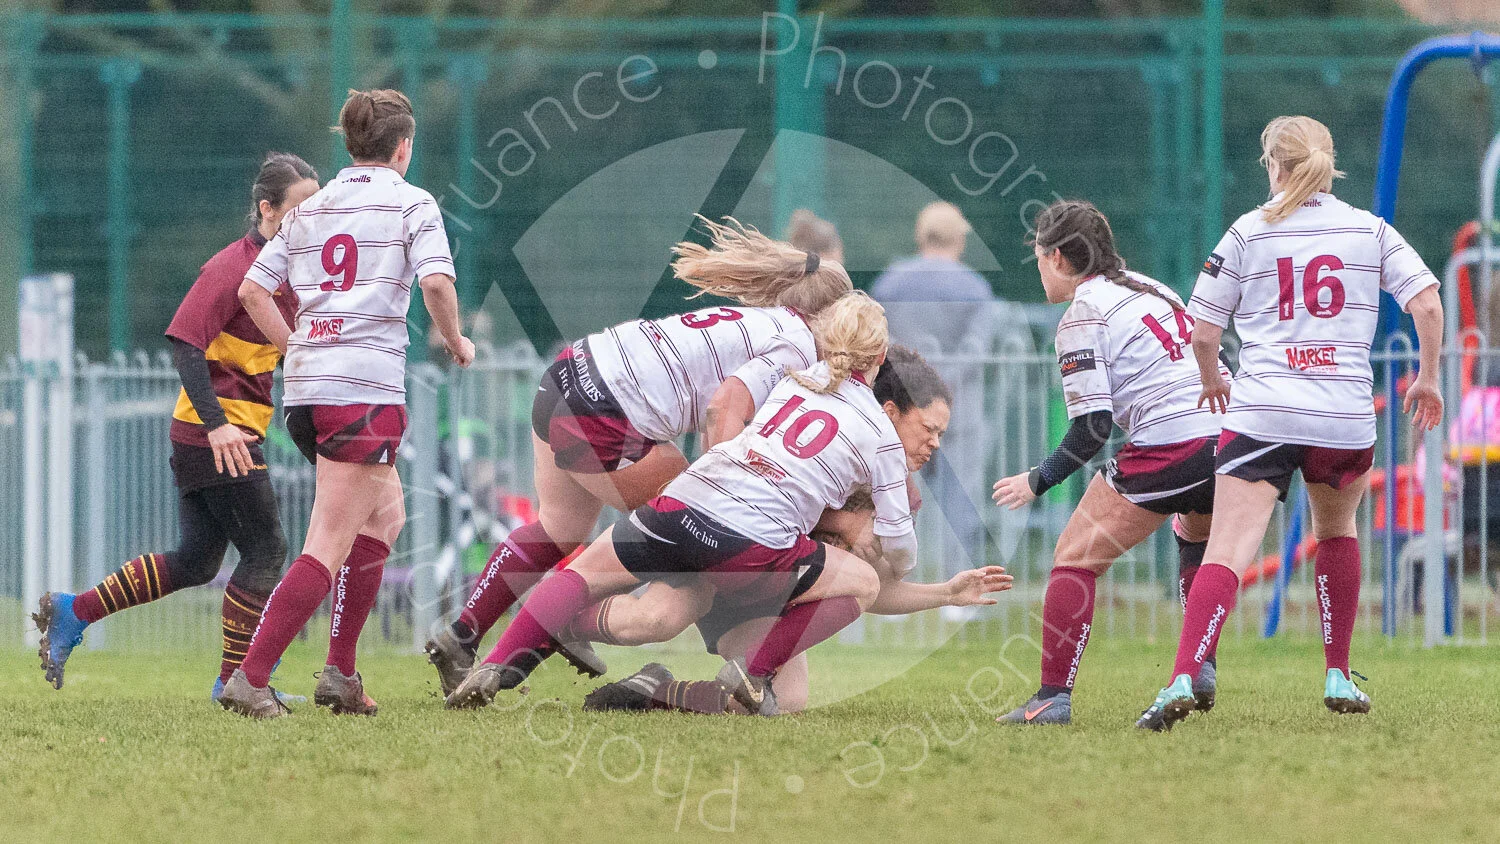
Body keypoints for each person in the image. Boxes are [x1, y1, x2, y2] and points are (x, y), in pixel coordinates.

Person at [422, 216, 853, 694]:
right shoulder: (796, 345)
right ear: (826, 317)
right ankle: (568, 624)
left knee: (558, 529)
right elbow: (722, 406)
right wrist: (723, 478)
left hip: (566, 374)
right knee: (686, 534)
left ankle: (462, 634)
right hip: (604, 409)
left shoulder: (764, 321)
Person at [445, 292, 910, 716]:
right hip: (744, 534)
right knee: (861, 584)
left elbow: (733, 408)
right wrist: (895, 559)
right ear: (881, 356)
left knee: (583, 572)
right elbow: (898, 541)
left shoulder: (790, 380)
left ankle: (501, 661)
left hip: (671, 481)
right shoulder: (867, 420)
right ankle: (755, 676)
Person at [1136, 115, 1444, 731]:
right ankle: (1336, 670)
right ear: (1329, 163)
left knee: (1226, 546)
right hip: (1342, 416)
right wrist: (1428, 377)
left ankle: (1180, 677)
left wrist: (1210, 381)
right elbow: (1428, 302)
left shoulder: (1249, 232)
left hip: (1264, 410)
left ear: (1273, 165)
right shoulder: (1370, 230)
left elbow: (1203, 331)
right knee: (1339, 530)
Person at [218, 88, 475, 718]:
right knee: (327, 542)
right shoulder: (413, 204)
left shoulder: (310, 210)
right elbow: (437, 281)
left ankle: (340, 673)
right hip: (361, 393)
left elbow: (254, 291)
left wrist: (302, 347)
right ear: (403, 146)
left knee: (384, 517)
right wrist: (454, 338)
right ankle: (250, 679)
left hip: (309, 396)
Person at [579, 345, 1011, 716]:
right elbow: (753, 496)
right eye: (929, 429)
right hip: (722, 554)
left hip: (767, 585)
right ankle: (559, 622)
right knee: (652, 620)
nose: (936, 444)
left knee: (787, 700)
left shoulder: (899, 500)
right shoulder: (824, 443)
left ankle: (658, 690)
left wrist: (946, 594)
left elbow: (864, 589)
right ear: (888, 413)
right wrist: (840, 521)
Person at [33, 153, 320, 699]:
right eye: (302, 209)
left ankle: (73, 612)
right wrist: (217, 426)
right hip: (213, 437)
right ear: (267, 210)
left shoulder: (290, 277)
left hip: (227, 434)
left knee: (196, 560)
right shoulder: (230, 269)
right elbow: (185, 343)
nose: (313, 220)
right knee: (265, 550)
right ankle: (235, 683)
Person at [988, 199, 1228, 726]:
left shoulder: (1081, 313)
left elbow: (1093, 427)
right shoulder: (1151, 287)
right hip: (1228, 435)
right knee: (1195, 534)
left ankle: (1052, 698)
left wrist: (1038, 480)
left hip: (1172, 442)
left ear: (1054, 257)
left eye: (1036, 258)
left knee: (1074, 557)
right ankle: (1201, 665)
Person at [871, 201, 1019, 587]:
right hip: (958, 415)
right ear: (959, 239)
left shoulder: (890, 283)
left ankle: (894, 586)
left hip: (898, 412)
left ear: (922, 235)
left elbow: (881, 342)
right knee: (960, 501)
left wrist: (911, 388)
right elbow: (977, 348)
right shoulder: (973, 287)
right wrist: (939, 387)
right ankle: (957, 589)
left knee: (892, 495)